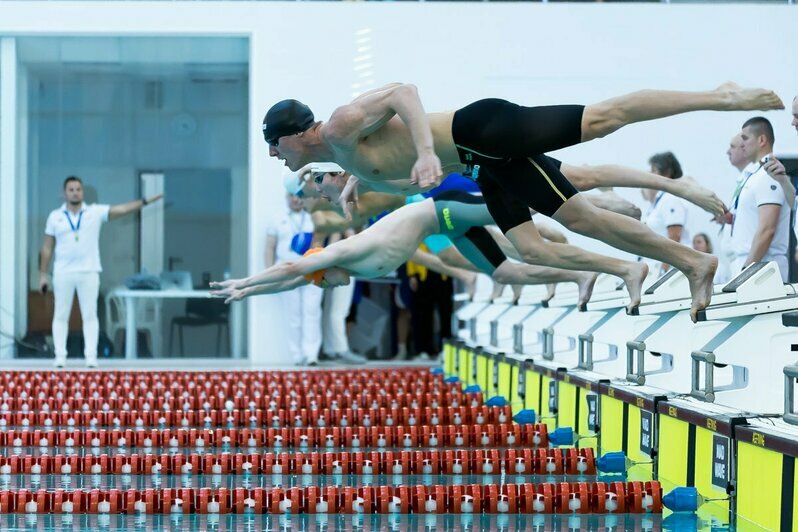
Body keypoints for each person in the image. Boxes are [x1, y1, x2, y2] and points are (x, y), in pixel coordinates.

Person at [263, 82, 781, 319]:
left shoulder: (339, 124)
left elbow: (404, 92)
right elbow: (380, 161)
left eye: (272, 146)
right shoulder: (341, 157)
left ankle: (721, 96)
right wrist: (354, 183)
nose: (272, 156)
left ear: (289, 136)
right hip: (483, 163)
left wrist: (424, 151)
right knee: (556, 233)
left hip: (483, 127)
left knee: (602, 120)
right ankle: (692, 262)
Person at [210, 194, 601, 309]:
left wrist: (246, 279)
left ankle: (597, 201)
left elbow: (291, 268)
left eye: (324, 285)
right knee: (507, 272)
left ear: (323, 269)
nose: (329, 288)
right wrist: (248, 294)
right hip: (447, 228)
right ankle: (580, 274)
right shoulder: (345, 269)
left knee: (520, 203)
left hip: (442, 210)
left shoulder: (336, 255)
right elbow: (292, 282)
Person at [39, 176, 164, 368]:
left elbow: (120, 210)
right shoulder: (55, 216)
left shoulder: (94, 212)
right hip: (63, 272)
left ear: (83, 192)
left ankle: (91, 357)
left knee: (89, 315)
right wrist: (42, 274)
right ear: (64, 193)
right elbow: (47, 247)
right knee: (61, 315)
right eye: (71, 189)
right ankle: (60, 357)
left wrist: (146, 201)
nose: (75, 192)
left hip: (89, 272)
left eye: (78, 189)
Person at [264, 187, 323, 366]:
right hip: (287, 271)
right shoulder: (276, 218)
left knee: (312, 312)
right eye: (292, 196)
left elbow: (319, 243)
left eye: (299, 197)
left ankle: (311, 354)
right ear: (286, 196)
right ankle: (297, 355)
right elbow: (269, 248)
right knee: (293, 314)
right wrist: (270, 274)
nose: (296, 200)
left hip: (311, 270)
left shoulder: (314, 217)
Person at [731, 117, 791, 281]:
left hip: (761, 268)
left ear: (762, 140)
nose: (741, 144)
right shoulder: (754, 174)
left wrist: (746, 271)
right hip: (752, 264)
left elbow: (767, 230)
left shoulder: (769, 174)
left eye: (745, 138)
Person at [643, 152, 691, 274]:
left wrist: (664, 270)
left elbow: (674, 237)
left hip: (670, 269)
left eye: (653, 170)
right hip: (656, 265)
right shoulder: (658, 202)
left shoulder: (671, 199)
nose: (649, 174)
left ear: (667, 172)